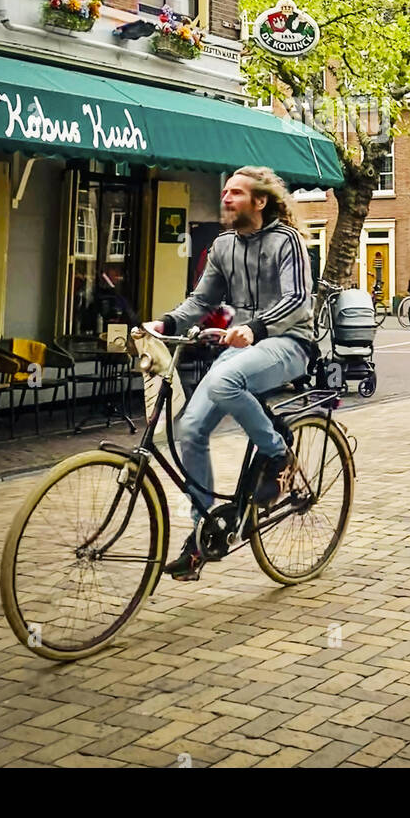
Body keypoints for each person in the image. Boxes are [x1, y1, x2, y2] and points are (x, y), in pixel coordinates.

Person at [143, 166, 313, 581]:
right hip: (241, 348)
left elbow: (297, 298)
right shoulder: (223, 247)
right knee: (189, 430)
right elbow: (200, 300)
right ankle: (206, 533)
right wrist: (165, 324)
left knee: (222, 382)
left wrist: (253, 328)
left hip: (289, 342)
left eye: (236, 193)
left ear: (260, 201)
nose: (226, 198)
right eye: (224, 192)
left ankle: (278, 454)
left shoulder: (286, 241)